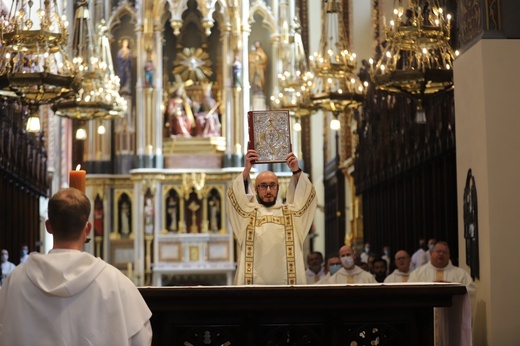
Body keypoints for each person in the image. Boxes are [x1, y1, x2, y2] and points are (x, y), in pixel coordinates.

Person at [0, 188, 152, 344]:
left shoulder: (16, 280)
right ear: (88, 229)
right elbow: (141, 338)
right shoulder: (117, 283)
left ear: (48, 226)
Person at [226, 149, 317, 285]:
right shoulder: (247, 215)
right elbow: (233, 197)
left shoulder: (292, 215)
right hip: (254, 289)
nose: (268, 190)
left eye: (272, 186)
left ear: (278, 188)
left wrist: (296, 170)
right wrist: (247, 169)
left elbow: (307, 197)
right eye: (263, 186)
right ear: (255, 189)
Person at [409, 241, 476, 295]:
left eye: (444, 252)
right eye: (438, 251)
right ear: (431, 254)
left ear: (449, 255)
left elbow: (472, 290)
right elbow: (410, 291)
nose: (441, 254)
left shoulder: (460, 273)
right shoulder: (417, 274)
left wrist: (454, 288)